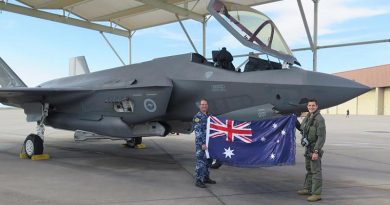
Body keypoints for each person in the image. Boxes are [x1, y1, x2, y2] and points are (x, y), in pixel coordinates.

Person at [297, 99, 326, 202]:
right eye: (309, 105)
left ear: (317, 106)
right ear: (307, 107)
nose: (311, 107)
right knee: (309, 169)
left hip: (314, 148)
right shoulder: (308, 117)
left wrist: (316, 151)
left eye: (313, 105)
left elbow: (321, 137)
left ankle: (316, 194)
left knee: (316, 171)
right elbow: (302, 129)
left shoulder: (319, 119)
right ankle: (308, 189)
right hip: (308, 148)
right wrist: (292, 120)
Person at [193, 98, 216, 188]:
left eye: (205, 104)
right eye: (202, 104)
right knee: (201, 162)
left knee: (208, 161)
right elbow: (198, 132)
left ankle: (206, 177)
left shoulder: (209, 116)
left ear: (207, 106)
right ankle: (198, 180)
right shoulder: (197, 117)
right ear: (200, 106)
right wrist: (202, 143)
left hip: (209, 143)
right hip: (201, 144)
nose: (204, 106)